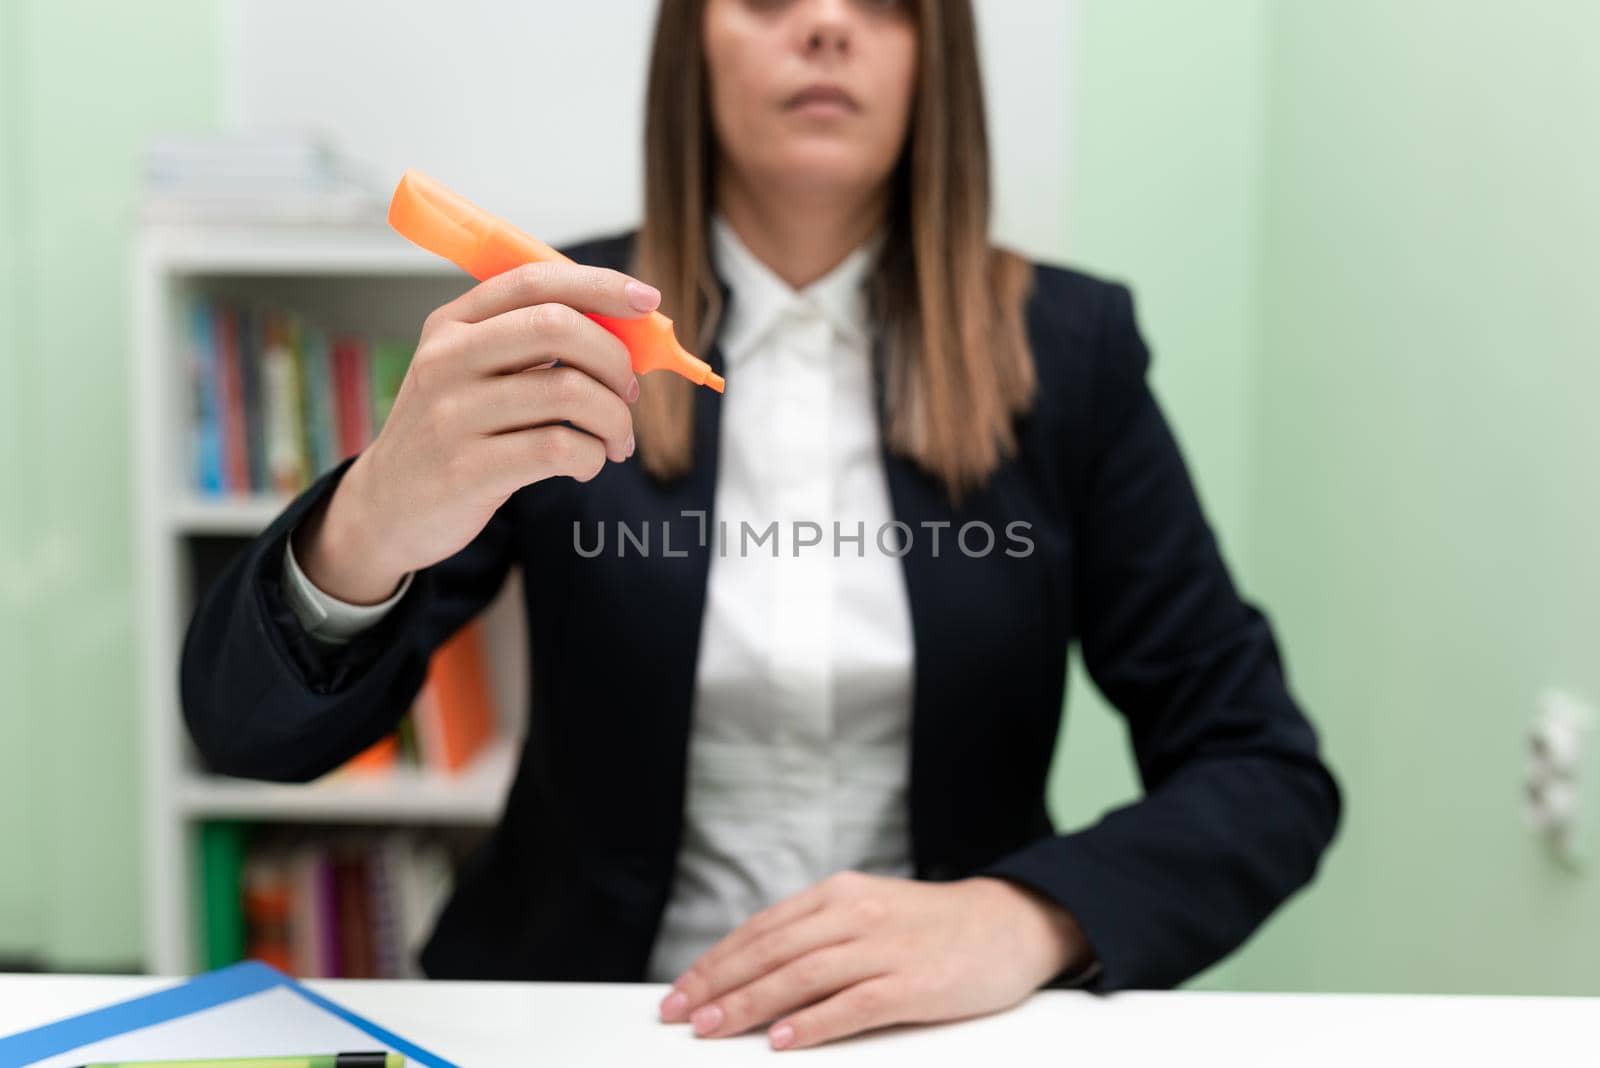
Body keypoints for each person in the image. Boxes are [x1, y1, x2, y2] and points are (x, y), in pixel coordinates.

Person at [182, 0, 1340, 1052]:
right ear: (692, 47)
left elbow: (1261, 768)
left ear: (938, 57)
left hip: (939, 1033)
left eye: (883, 3)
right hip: (587, 1017)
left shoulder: (1069, 351)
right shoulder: (560, 321)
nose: (827, 24)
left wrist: (1024, 914)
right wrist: (374, 515)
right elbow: (246, 732)